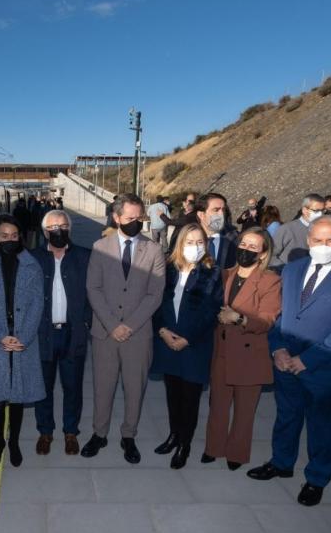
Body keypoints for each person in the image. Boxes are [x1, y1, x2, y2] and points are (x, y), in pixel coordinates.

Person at [247, 216, 331, 506]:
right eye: (318, 240)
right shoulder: (292, 269)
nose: (324, 245)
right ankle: (281, 462)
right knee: (286, 416)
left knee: (321, 427)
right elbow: (280, 314)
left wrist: (307, 360)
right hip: (285, 363)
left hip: (324, 368)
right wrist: (277, 349)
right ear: (308, 240)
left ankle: (317, 478)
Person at [83, 193, 167, 463]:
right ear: (116, 218)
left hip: (138, 334)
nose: (136, 222)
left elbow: (155, 294)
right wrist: (112, 325)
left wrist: (129, 325)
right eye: (130, 218)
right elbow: (93, 288)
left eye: (139, 218)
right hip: (104, 333)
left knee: (135, 389)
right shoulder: (100, 247)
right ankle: (99, 433)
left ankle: (128, 435)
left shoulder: (154, 250)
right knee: (103, 387)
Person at [204, 227, 281, 471]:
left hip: (249, 353)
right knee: (218, 404)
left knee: (244, 409)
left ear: (263, 253)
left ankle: (236, 452)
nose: (245, 250)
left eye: (253, 247)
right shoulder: (225, 274)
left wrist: (239, 318)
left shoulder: (270, 280)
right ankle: (213, 447)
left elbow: (267, 320)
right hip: (222, 350)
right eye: (243, 244)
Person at [0, 215, 45, 467]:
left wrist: (23, 336)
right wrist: (0, 337)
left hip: (23, 339)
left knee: (17, 396)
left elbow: (37, 304)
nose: (10, 240)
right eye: (4, 236)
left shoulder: (32, 265)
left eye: (14, 235)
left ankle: (13, 441)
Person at [150, 224, 223, 469]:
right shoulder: (169, 269)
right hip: (167, 340)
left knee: (190, 399)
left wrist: (187, 338)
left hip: (194, 345)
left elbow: (211, 311)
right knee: (173, 395)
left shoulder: (212, 272)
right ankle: (174, 435)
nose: (195, 247)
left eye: (200, 242)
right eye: (190, 242)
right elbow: (156, 302)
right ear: (180, 244)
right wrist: (162, 330)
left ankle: (185, 444)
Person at [32, 210, 92, 456]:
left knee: (73, 387)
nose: (59, 230)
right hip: (42, 334)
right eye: (53, 227)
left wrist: (86, 323)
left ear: (70, 228)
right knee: (43, 388)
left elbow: (94, 293)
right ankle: (45, 432)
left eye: (63, 226)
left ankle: (70, 432)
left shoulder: (85, 256)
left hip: (72, 333)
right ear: (45, 232)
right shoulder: (32, 258)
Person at [270, 193, 325, 268]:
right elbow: (270, 255)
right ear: (304, 210)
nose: (320, 214)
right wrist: (284, 270)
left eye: (322, 211)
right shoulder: (287, 229)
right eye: (316, 211)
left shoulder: (323, 230)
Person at [196, 193, 237, 268]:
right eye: (216, 210)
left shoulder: (236, 238)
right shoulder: (188, 239)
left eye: (223, 210)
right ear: (201, 215)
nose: (221, 214)